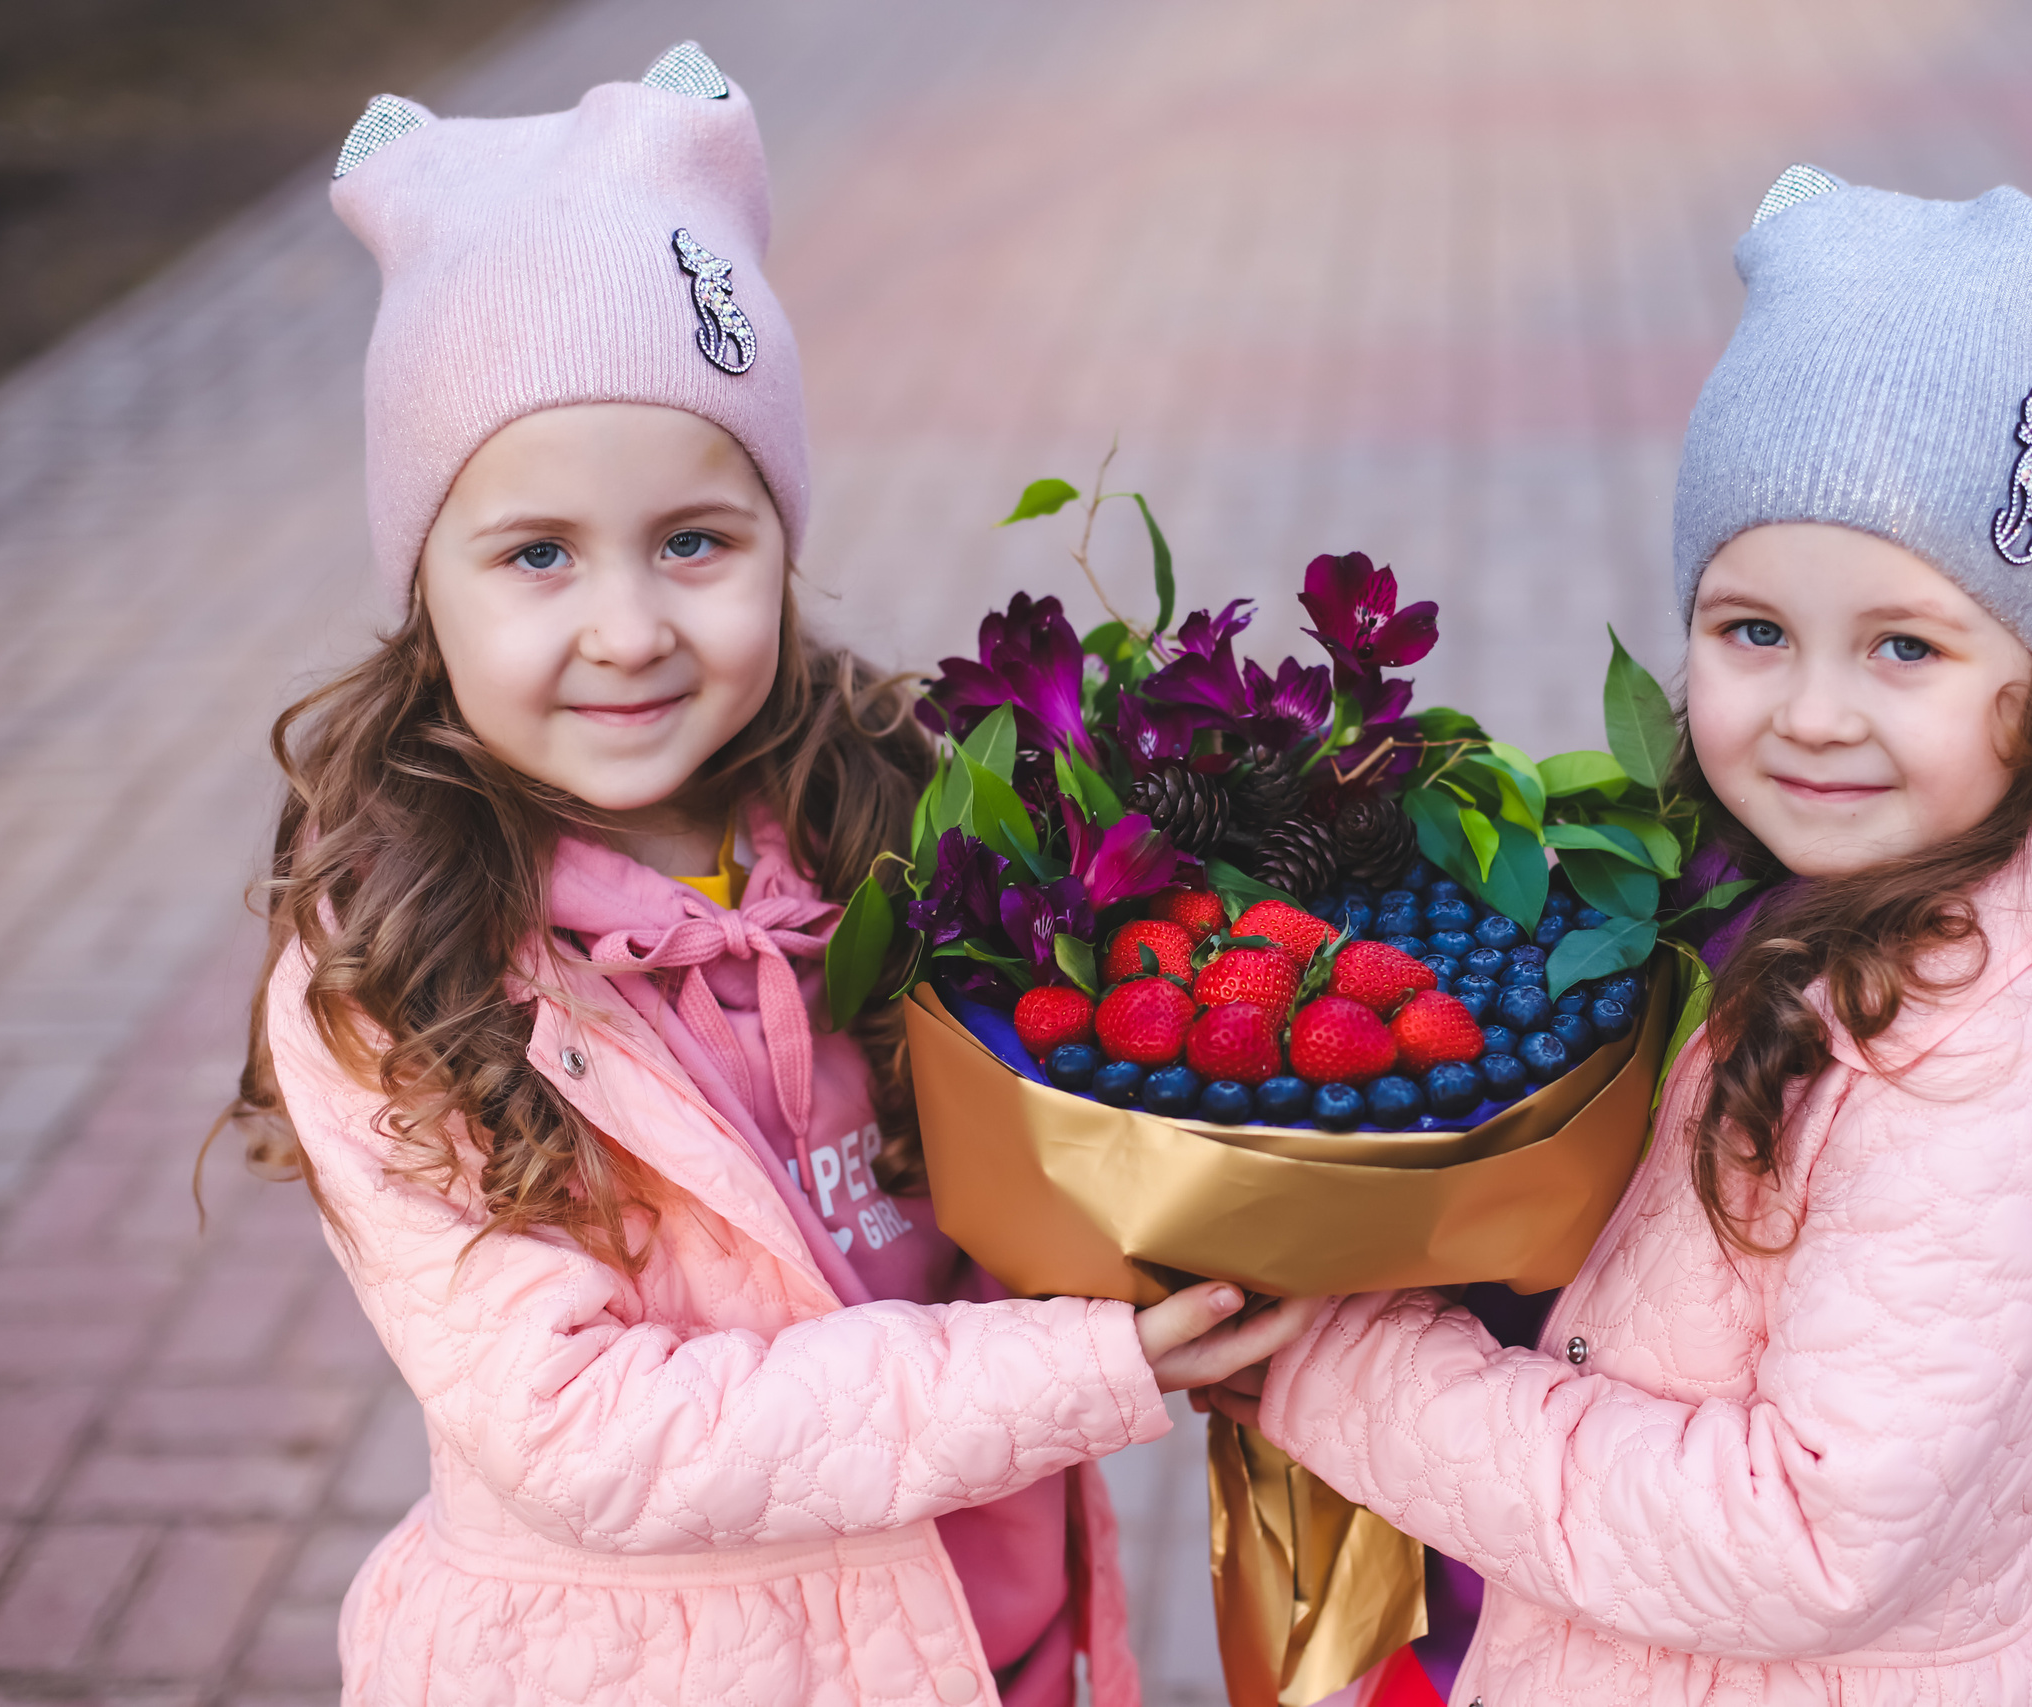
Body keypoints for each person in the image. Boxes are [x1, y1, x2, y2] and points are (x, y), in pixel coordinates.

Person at [221, 45, 1313, 1705]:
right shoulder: (397, 960)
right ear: (420, 582)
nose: (630, 629)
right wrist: (1078, 1366)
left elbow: (1024, 1173)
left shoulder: (891, 813)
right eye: (534, 555)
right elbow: (584, 1432)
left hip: (986, 1639)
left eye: (693, 540)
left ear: (778, 537)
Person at [1210, 162, 2032, 1707]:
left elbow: (1802, 1538)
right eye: (1753, 630)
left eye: (1906, 646)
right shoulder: (1727, 888)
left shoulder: (1995, 1048)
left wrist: (1339, 1370)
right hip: (1551, 1621)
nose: (1810, 714)